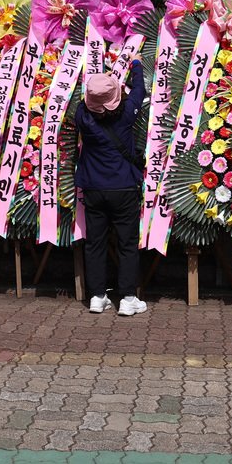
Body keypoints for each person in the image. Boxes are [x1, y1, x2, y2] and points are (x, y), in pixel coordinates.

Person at [74, 58, 147, 316]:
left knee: (95, 243)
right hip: (124, 187)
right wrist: (135, 65)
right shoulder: (126, 114)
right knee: (127, 243)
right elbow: (139, 90)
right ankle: (127, 298)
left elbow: (84, 101)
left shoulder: (82, 116)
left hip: (93, 187)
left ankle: (97, 296)